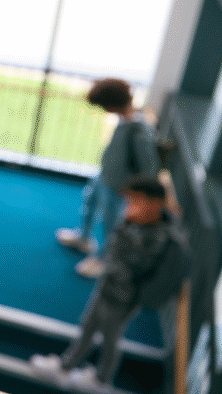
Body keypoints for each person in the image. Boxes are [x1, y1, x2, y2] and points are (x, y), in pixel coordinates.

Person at [31, 176, 180, 390]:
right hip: (107, 288)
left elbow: (133, 265)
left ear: (154, 204)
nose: (131, 207)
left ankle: (102, 380)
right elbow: (115, 248)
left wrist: (126, 227)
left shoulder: (158, 236)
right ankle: (67, 366)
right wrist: (127, 224)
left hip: (123, 298)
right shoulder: (136, 223)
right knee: (88, 328)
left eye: (136, 202)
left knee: (110, 339)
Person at [56, 78, 160, 277]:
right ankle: (84, 238)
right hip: (105, 176)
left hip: (120, 185)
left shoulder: (139, 130)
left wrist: (135, 192)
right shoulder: (125, 119)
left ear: (112, 104)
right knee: (90, 202)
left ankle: (105, 259)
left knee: (112, 224)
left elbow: (149, 167)